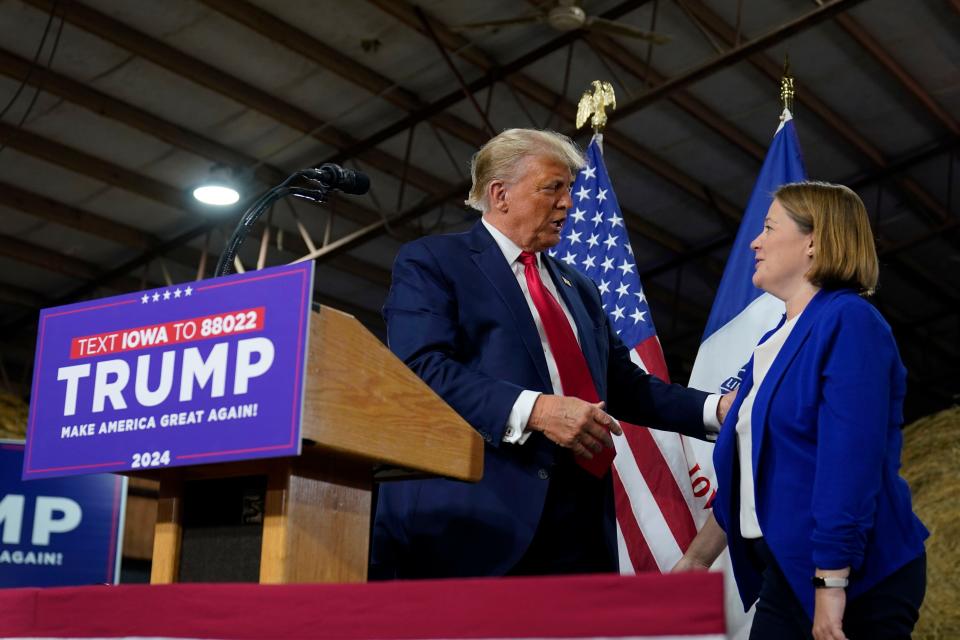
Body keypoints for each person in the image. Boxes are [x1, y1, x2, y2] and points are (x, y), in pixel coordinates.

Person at [371, 128, 732, 579]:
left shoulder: (578, 288)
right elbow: (421, 368)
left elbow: (627, 386)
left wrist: (718, 409)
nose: (567, 203)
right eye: (552, 188)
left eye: (570, 190)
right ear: (500, 194)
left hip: (580, 522)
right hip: (475, 522)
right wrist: (537, 410)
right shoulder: (433, 262)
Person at [674, 181, 928, 640]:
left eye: (769, 227)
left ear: (813, 241)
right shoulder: (773, 340)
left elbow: (848, 466)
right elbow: (747, 474)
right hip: (789, 574)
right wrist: (697, 559)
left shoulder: (849, 321)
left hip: (855, 580)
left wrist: (831, 586)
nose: (755, 241)